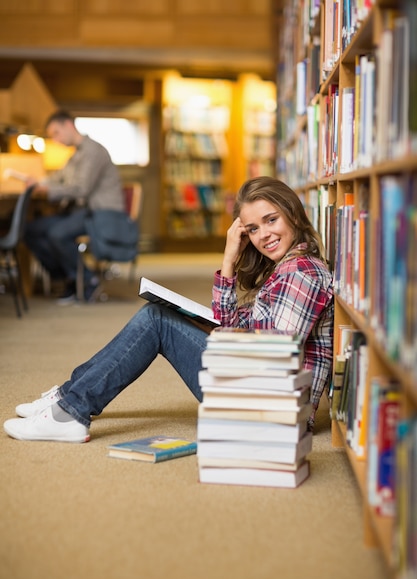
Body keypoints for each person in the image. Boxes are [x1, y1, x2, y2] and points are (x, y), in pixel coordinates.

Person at [4, 176, 334, 443]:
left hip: (269, 409)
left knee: (156, 319)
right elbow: (229, 321)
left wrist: (224, 336)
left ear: (293, 212)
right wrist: (229, 260)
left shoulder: (302, 272)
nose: (263, 235)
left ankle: (70, 409)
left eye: (270, 220)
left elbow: (273, 354)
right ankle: (69, 396)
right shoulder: (287, 268)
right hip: (256, 392)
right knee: (160, 315)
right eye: (252, 229)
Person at [24, 109, 125, 303]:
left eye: (56, 133)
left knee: (57, 233)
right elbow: (58, 178)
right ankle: (68, 279)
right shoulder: (76, 155)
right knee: (31, 230)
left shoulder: (93, 151)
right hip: (81, 212)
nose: (55, 139)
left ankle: (88, 281)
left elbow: (81, 189)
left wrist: (46, 191)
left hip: (101, 212)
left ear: (69, 125)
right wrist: (40, 183)